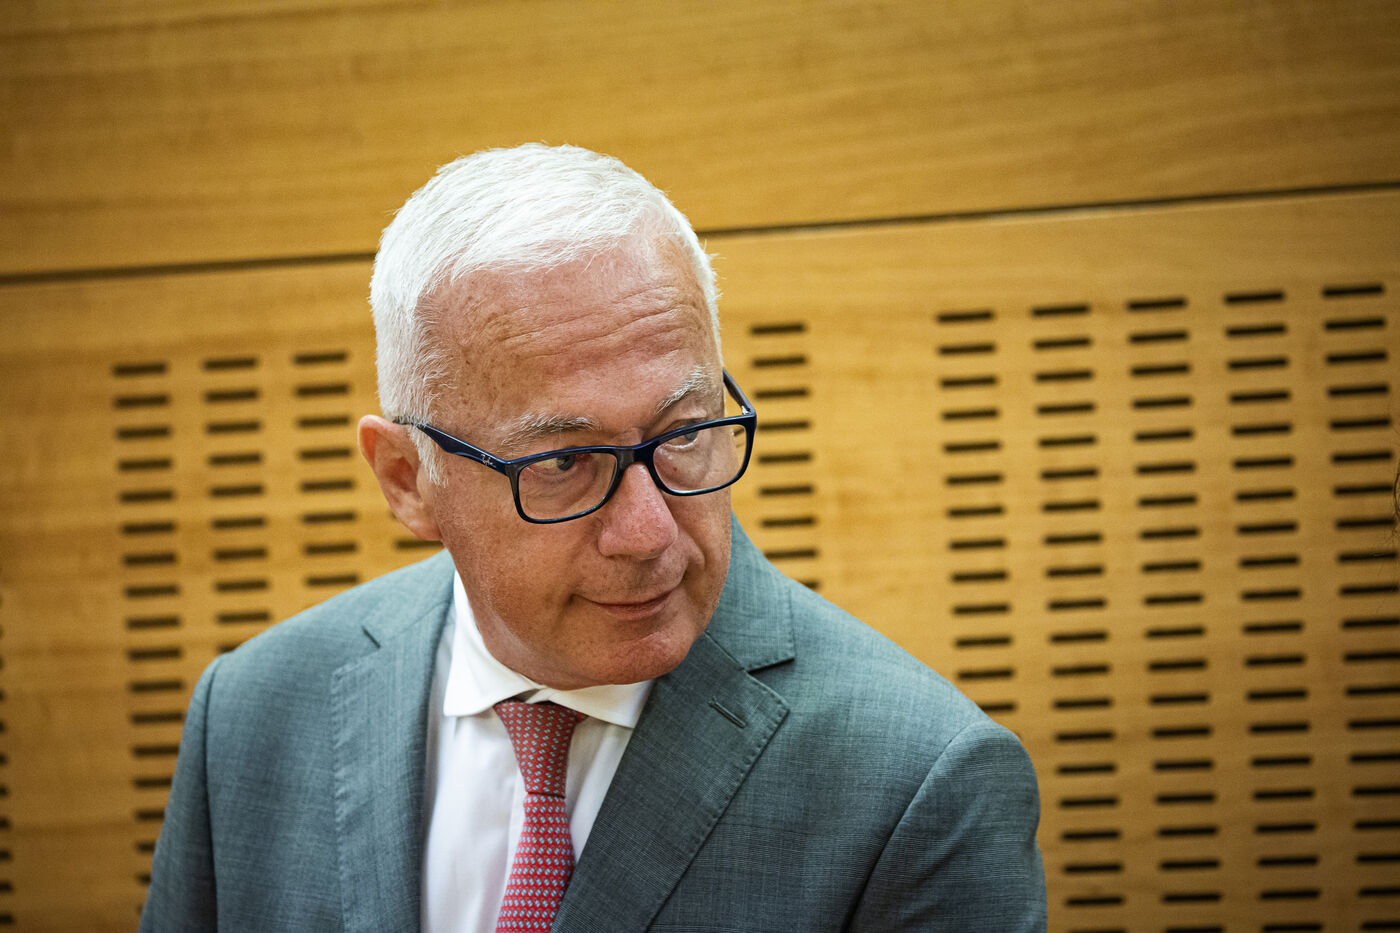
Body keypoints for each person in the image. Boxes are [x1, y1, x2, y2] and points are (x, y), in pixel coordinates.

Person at [139, 144, 1046, 932]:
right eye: (566, 461)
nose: (648, 532)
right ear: (408, 479)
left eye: (684, 434)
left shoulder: (921, 782)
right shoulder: (252, 715)